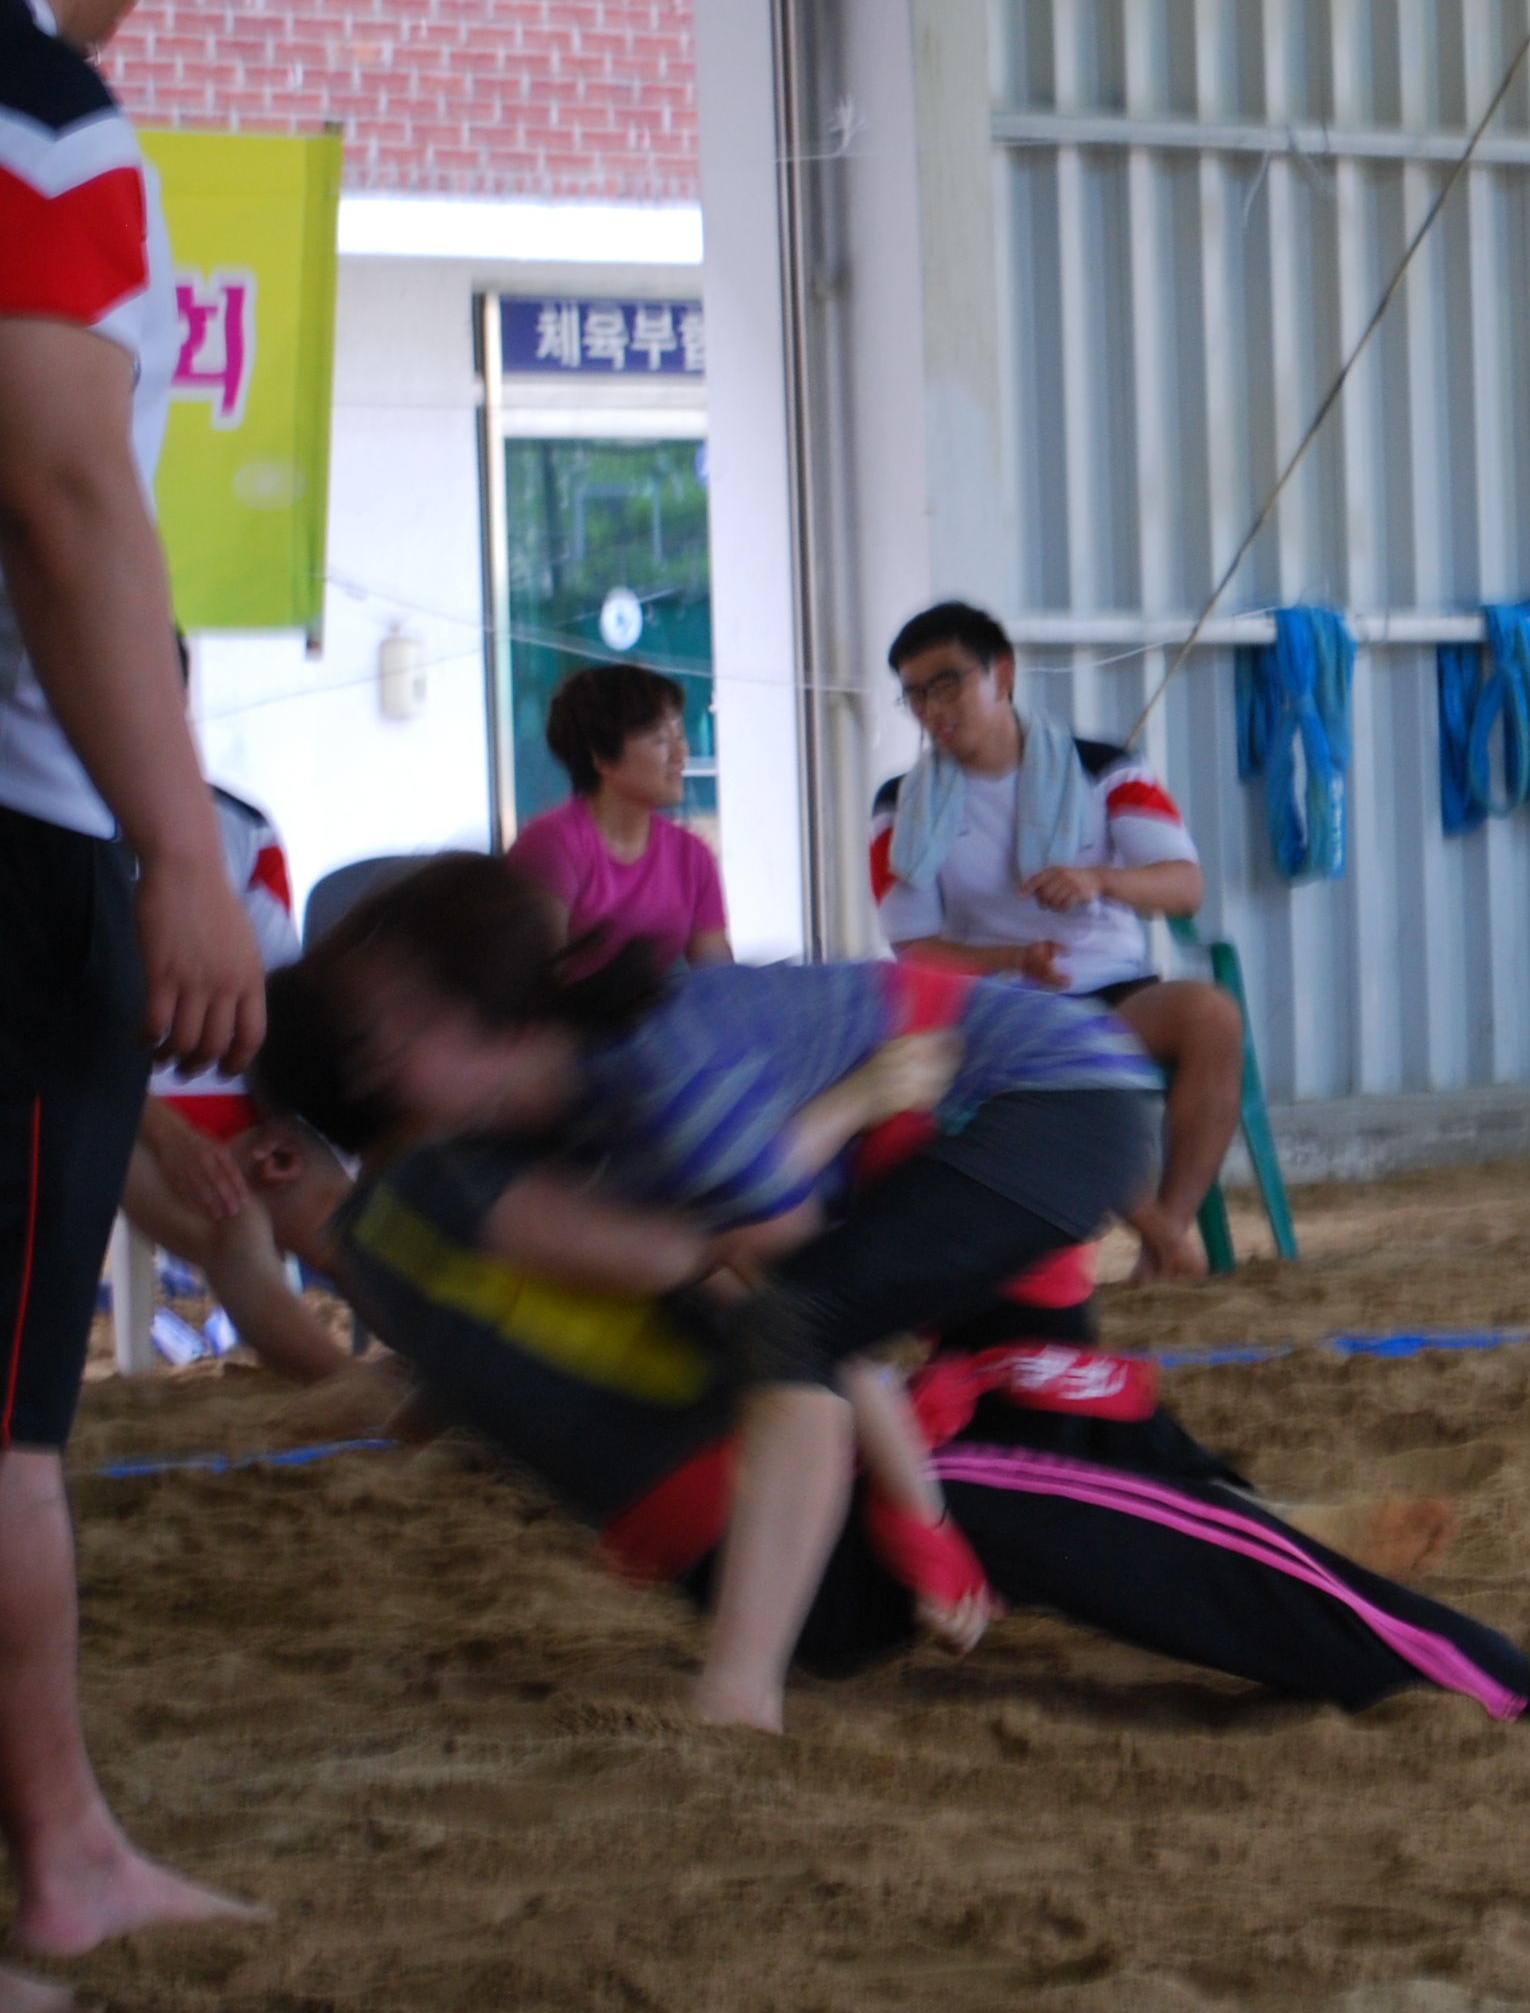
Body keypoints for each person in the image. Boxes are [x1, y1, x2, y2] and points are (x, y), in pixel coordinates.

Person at [255, 855, 1168, 1732]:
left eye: (396, 1035)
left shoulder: (653, 1085)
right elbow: (725, 1265)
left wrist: (921, 1522)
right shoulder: (558, 1115)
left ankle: (740, 1699)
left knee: (835, 1348)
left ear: (484, 1020)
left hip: (1039, 1099)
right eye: (369, 1049)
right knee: (1057, 1445)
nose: (376, 1071)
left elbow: (794, 1302)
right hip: (962, 1119)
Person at [240, 1122, 1530, 1722]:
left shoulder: (419, 1260)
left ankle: (1281, 1527)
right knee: (1079, 1473)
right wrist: (923, 1518)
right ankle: (1488, 1679)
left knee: (1064, 1437)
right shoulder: (458, 1213)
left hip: (782, 1542)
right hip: (833, 1516)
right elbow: (801, 1332)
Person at [0, 0, 265, 2013]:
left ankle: (71, 1842)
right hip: (15, 842)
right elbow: (72, 495)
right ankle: (61, 1861)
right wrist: (182, 848)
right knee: (6, 1411)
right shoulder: (43, 118)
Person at [871, 601, 1245, 1280]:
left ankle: (1169, 1231)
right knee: (1039, 1065)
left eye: (947, 684)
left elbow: (1185, 885)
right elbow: (915, 950)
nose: (932, 709)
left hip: (1114, 991)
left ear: (1002, 674)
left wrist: (1100, 878)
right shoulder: (901, 805)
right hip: (999, 1007)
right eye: (915, 694)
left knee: (1212, 1017)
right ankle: (1164, 1238)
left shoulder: (1106, 767)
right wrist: (1012, 960)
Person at [127, 721, 356, 1386]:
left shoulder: (239, 829)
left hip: (239, 1096)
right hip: (116, 1111)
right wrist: (172, 1138)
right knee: (236, 1223)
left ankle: (462, 1379)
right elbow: (60, 1044)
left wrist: (280, 1118)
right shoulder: (51, 836)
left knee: (341, 1218)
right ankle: (355, 1391)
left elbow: (273, 1001)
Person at [505, 662, 730, 973]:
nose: (681, 754)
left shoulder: (692, 856)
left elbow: (719, 980)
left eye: (679, 735)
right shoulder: (552, 844)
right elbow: (538, 980)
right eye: (660, 739)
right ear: (602, 758)